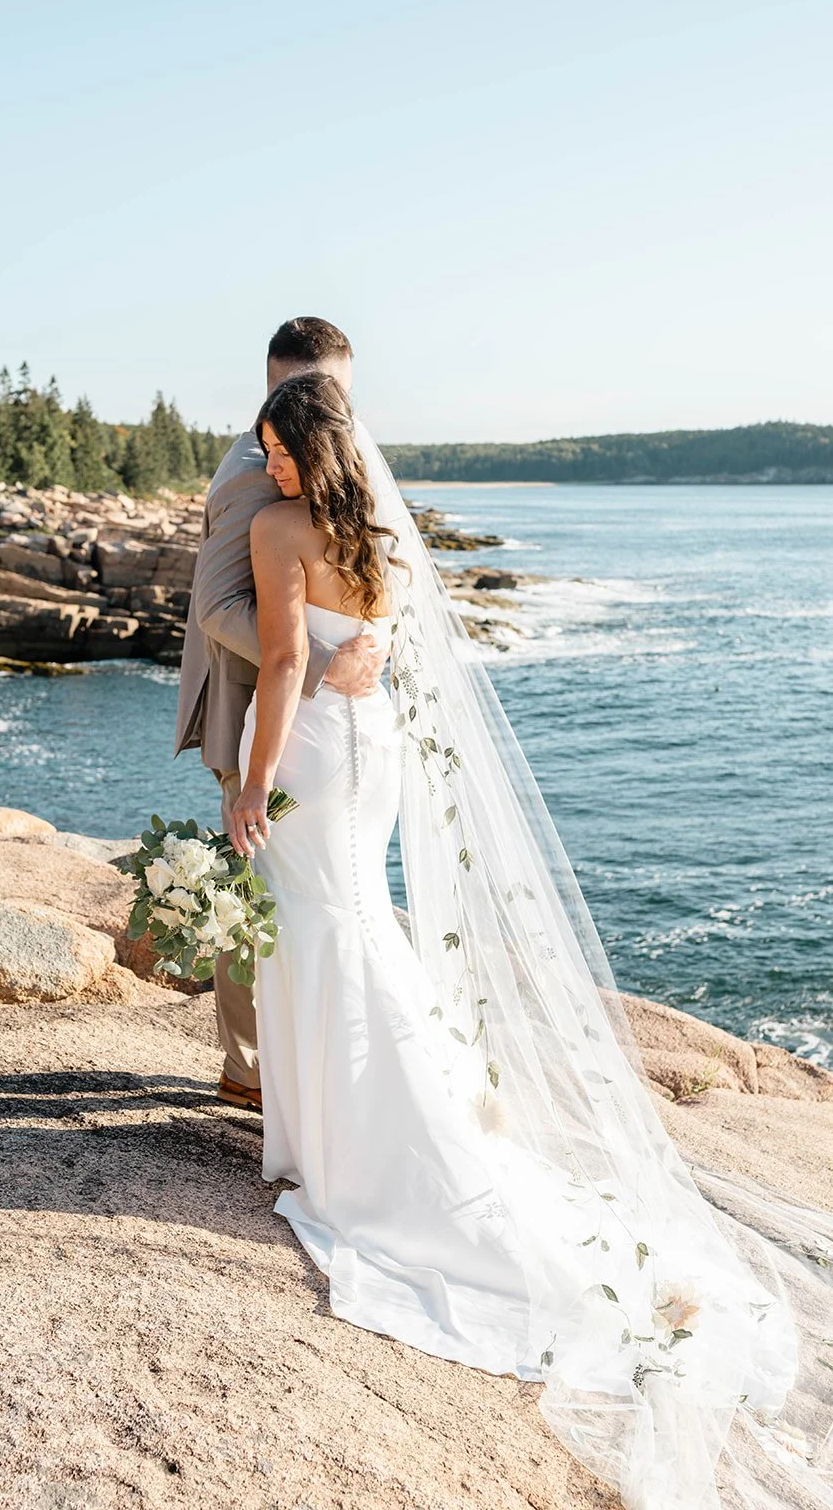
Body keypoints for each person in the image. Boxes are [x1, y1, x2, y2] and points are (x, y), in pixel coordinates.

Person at [225, 370, 833, 1510]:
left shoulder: (276, 528)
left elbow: (289, 660)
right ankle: (350, 1133)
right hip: (377, 752)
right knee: (354, 921)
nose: (265, 467)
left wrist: (252, 784)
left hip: (311, 745)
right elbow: (379, 647)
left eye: (276, 448)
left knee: (325, 931)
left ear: (308, 449)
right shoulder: (384, 535)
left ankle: (353, 1155)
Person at [174, 318, 388, 1111]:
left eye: (343, 394)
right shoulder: (253, 472)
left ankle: (301, 1067)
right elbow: (216, 606)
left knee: (332, 892)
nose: (338, 410)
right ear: (279, 386)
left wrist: (363, 655)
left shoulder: (340, 461)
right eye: (321, 392)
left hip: (340, 725)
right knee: (258, 885)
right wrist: (326, 660)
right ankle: (250, 1069)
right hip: (262, 707)